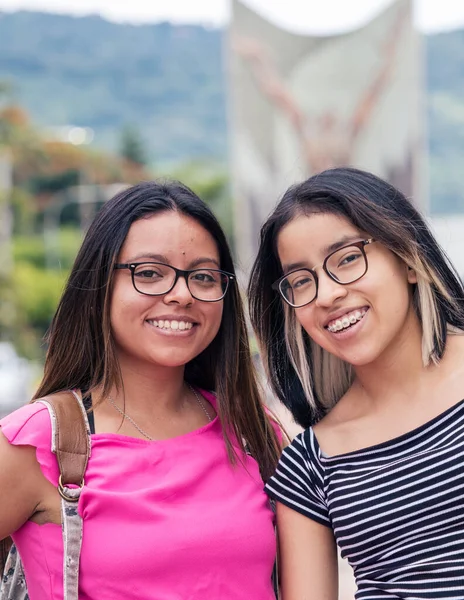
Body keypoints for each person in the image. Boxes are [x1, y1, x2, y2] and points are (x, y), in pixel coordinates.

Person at [248, 167, 464, 600]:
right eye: (302, 280)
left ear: (409, 259)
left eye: (347, 259)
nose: (326, 294)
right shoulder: (309, 462)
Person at [0, 181, 282, 600]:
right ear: (99, 284)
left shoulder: (252, 430)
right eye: (149, 273)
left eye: (203, 277)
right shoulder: (41, 442)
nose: (182, 294)